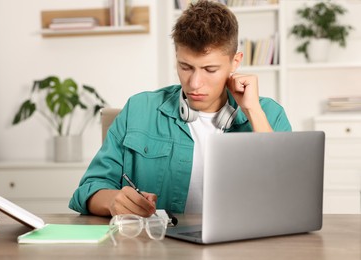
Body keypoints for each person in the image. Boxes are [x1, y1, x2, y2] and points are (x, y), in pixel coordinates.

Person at [69, 0, 291, 218]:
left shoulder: (268, 114)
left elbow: (289, 195)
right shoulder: (139, 109)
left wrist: (252, 110)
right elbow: (89, 189)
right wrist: (112, 201)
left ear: (235, 62)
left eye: (210, 69)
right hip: (158, 247)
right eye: (185, 67)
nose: (194, 83)